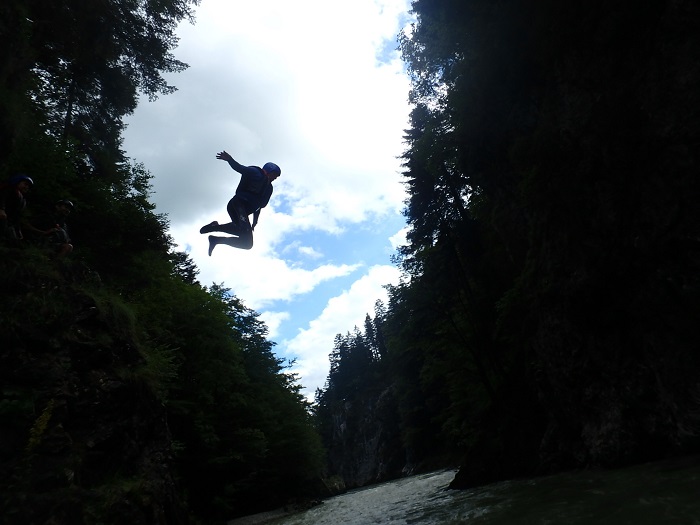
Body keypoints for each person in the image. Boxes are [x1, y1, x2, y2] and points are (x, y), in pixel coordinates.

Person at [199, 150, 281, 255]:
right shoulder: (255, 172)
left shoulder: (269, 188)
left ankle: (216, 238)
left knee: (247, 243)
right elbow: (240, 168)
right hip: (237, 204)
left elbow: (259, 205)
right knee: (242, 229)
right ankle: (215, 228)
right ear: (269, 170)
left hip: (244, 212)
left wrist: (255, 221)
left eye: (277, 177)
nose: (275, 178)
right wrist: (229, 159)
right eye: (275, 174)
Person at [0, 174, 33, 243]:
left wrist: (18, 230)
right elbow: (2, 198)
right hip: (2, 217)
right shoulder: (7, 189)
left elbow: (17, 215)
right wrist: (1, 209)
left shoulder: (22, 200)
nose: (27, 187)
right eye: (25, 184)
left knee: (14, 239)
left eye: (28, 186)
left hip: (8, 221)